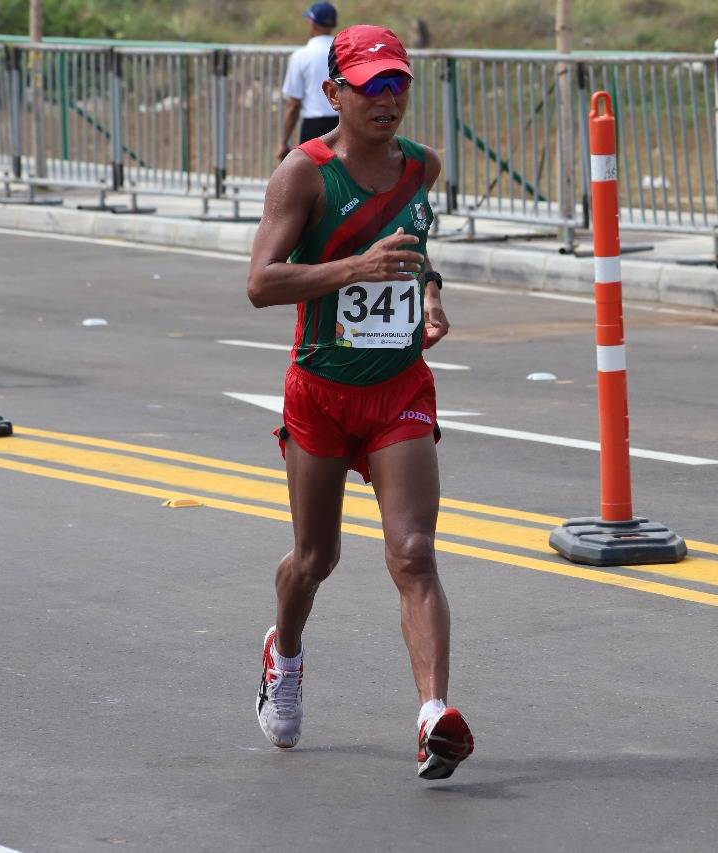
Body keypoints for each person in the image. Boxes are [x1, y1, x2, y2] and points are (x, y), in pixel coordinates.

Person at [247, 24, 474, 781]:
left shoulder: (422, 167)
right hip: (321, 390)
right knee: (316, 559)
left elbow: (414, 248)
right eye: (372, 85)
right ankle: (285, 652)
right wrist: (354, 269)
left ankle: (433, 716)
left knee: (413, 552)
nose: (387, 98)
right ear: (334, 92)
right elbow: (261, 282)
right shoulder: (304, 175)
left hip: (398, 389)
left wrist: (429, 294)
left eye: (398, 83)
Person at [277, 2, 339, 161]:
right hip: (343, 124)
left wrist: (283, 141)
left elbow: (293, 104)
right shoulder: (343, 52)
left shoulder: (301, 56)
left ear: (312, 23)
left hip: (314, 127)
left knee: (313, 174)